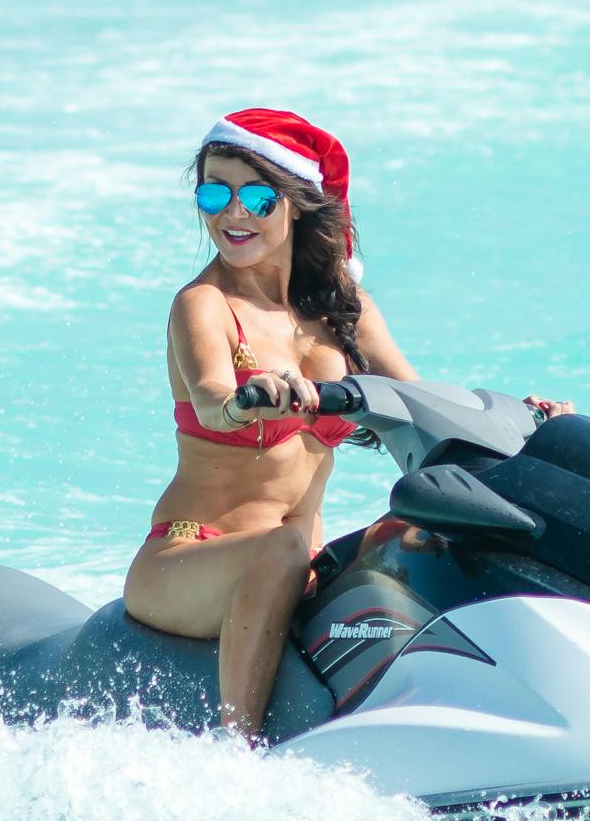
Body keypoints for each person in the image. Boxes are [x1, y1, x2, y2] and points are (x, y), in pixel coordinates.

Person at [123, 107, 415, 737]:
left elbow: (418, 403)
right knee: (282, 545)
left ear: (298, 205)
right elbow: (210, 397)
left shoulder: (345, 310)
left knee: (417, 534)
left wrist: (520, 419)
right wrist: (246, 400)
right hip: (188, 557)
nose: (233, 214)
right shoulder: (201, 304)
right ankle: (240, 754)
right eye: (214, 191)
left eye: (257, 196)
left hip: (296, 560)